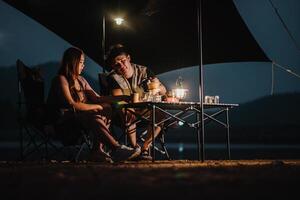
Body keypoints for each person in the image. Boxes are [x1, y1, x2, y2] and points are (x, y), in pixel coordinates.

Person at [47, 46, 139, 162]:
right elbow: (72, 104)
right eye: (81, 62)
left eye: (83, 62)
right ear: (72, 62)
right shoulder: (60, 79)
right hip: (64, 123)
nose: (83, 65)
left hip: (81, 120)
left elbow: (97, 98)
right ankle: (116, 148)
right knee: (95, 113)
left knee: (106, 108)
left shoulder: (81, 80)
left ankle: (97, 151)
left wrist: (124, 97)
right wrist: (97, 107)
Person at [106, 44, 167, 160]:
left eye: (123, 61)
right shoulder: (113, 77)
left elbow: (163, 91)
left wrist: (158, 86)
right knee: (127, 109)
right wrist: (141, 96)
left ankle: (145, 147)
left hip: (145, 111)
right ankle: (135, 148)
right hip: (123, 113)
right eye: (116, 64)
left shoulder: (144, 71)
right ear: (113, 66)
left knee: (160, 113)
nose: (121, 65)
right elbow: (118, 97)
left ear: (128, 58)